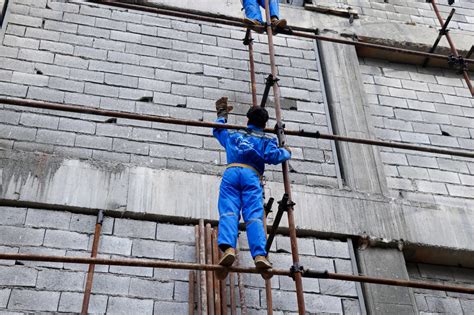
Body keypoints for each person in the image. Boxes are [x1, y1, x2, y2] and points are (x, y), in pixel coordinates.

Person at [213, 97, 291, 277]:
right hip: (251, 175)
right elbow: (274, 156)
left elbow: (218, 130)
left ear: (247, 120)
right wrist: (287, 151)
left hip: (231, 173)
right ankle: (259, 255)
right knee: (254, 215)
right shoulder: (265, 138)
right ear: (264, 124)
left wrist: (222, 115)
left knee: (228, 211)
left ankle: (228, 249)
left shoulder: (234, 134)